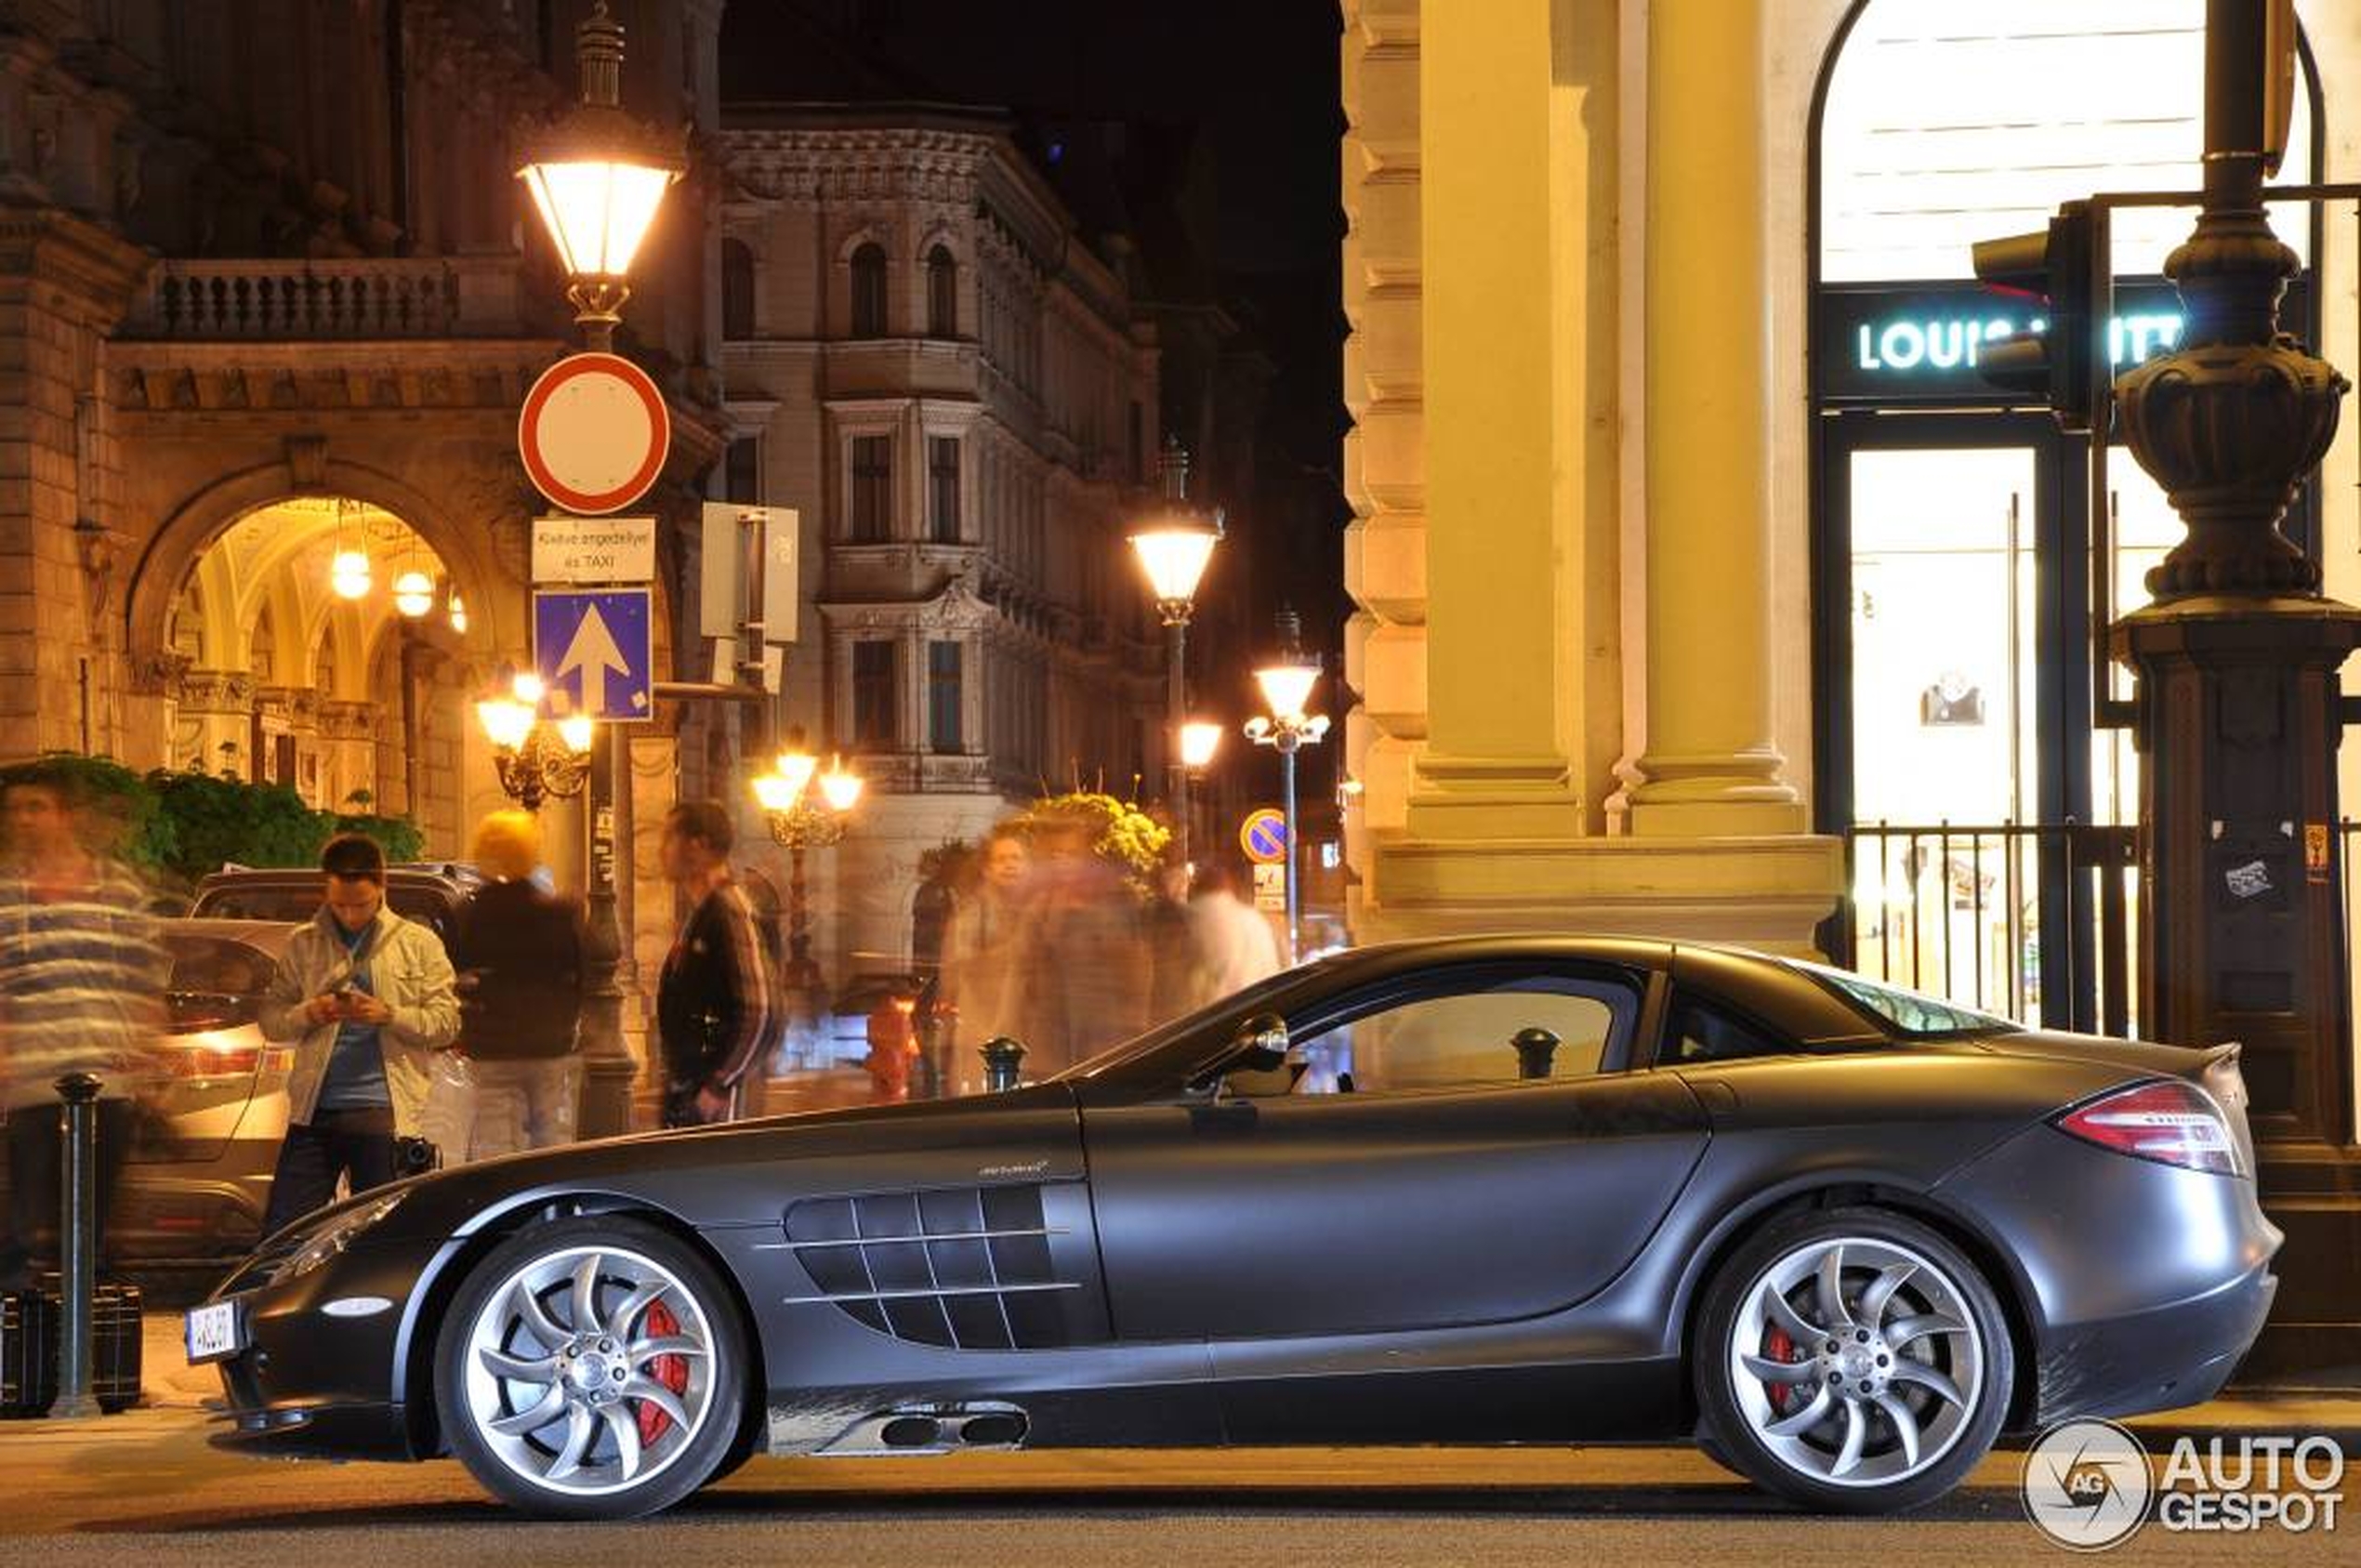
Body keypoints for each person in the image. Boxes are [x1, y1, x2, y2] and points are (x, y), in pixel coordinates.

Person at [0, 765, 168, 1290]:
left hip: (104, 1088)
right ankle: (34, 1360)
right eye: (16, 810)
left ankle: (86, 1358)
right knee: (29, 1238)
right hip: (31, 1089)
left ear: (66, 816)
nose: (24, 820)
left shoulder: (116, 892)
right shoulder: (7, 897)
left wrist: (148, 1064)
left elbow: (144, 985)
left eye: (37, 807)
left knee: (90, 1239)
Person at [257, 833, 459, 1234]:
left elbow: (446, 1024)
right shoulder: (304, 943)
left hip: (385, 1116)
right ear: (326, 891)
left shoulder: (416, 944)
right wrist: (310, 1012)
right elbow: (272, 1021)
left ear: (382, 887)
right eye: (340, 905)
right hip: (314, 1112)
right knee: (284, 1232)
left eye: (361, 905)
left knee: (382, 1235)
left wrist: (388, 1014)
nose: (350, 915)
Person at [448, 810, 585, 1156]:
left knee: (494, 1141)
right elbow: (577, 975)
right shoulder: (556, 911)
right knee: (549, 1136)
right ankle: (550, 1202)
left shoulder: (474, 913)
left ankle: (506, 1202)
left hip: (493, 1044)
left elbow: (460, 973)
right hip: (549, 1043)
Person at [655, 801, 772, 1127]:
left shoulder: (730, 911)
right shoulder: (703, 913)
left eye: (669, 838)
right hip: (693, 1088)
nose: (661, 850)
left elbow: (762, 1012)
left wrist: (720, 1085)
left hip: (716, 1106)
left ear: (699, 845)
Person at [938, 825, 1031, 1094]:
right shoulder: (971, 917)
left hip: (1023, 1036)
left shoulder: (1034, 912)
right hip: (982, 1035)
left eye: (1016, 858)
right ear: (987, 869)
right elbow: (957, 970)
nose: (1010, 866)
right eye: (1002, 859)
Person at [1186, 861, 1284, 1008]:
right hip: (1253, 1012)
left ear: (1196, 888)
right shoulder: (1256, 921)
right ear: (1230, 887)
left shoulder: (1190, 920)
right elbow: (1272, 973)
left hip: (1206, 1021)